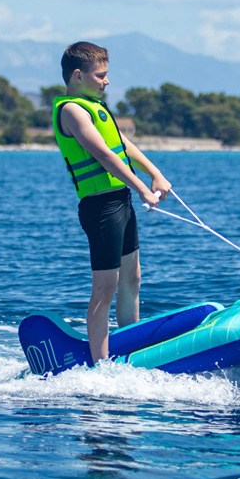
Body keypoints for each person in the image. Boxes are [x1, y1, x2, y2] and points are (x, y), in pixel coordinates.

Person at [53, 41, 172, 364]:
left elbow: (121, 144)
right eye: (101, 75)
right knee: (105, 288)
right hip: (101, 209)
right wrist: (142, 189)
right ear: (78, 75)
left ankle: (130, 348)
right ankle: (102, 366)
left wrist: (155, 174)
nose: (107, 81)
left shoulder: (95, 107)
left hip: (120, 201)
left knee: (132, 279)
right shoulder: (73, 110)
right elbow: (104, 155)